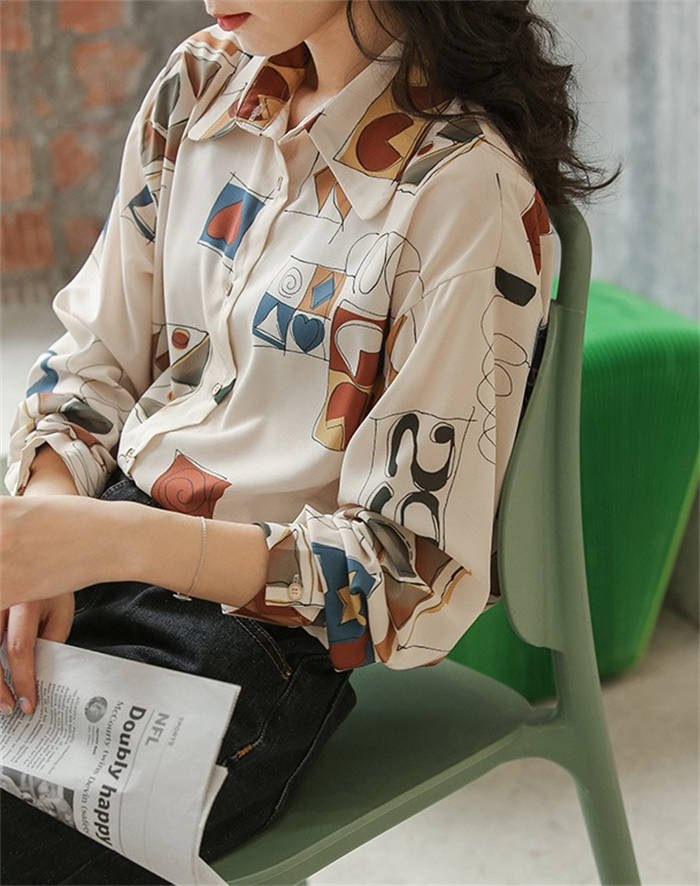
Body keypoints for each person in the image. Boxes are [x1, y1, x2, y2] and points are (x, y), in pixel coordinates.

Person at [0, 1, 620, 883]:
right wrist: (48, 523)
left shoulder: (463, 193)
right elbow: (98, 354)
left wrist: (108, 540)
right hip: (94, 540)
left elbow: (404, 577)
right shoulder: (201, 85)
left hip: (253, 639)